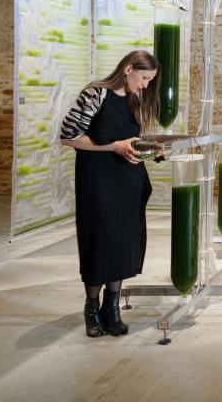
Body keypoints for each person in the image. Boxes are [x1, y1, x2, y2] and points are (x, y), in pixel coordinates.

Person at [60, 50, 161, 337]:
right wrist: (113, 147)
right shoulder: (95, 94)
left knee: (122, 240)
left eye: (150, 81)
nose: (145, 85)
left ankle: (111, 306)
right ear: (128, 69)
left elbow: (129, 140)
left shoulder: (134, 98)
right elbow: (68, 137)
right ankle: (91, 308)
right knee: (99, 239)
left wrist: (147, 147)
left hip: (128, 180)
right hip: (98, 179)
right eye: (143, 78)